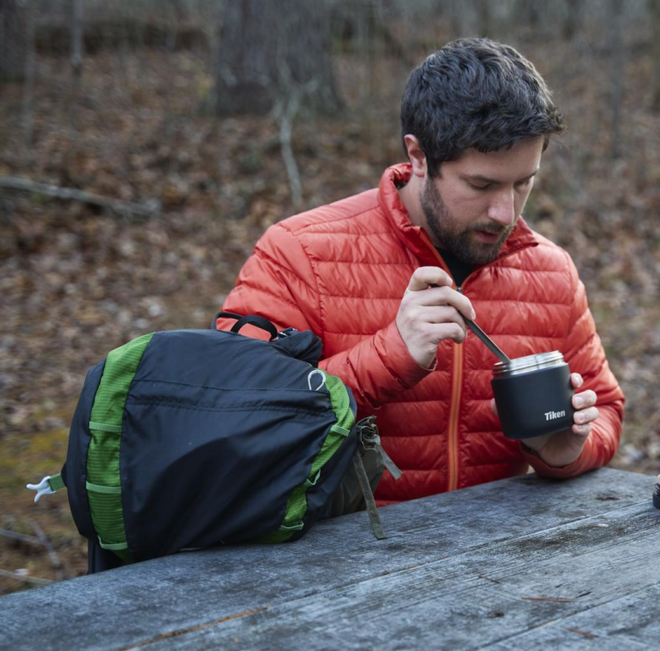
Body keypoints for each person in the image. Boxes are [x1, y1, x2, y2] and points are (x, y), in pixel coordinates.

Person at [219, 37, 624, 505]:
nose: (503, 211)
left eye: (523, 183)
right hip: (332, 565)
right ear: (417, 156)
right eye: (480, 184)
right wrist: (390, 355)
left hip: (506, 563)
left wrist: (562, 451)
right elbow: (235, 419)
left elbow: (607, 408)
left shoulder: (549, 272)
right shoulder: (299, 253)